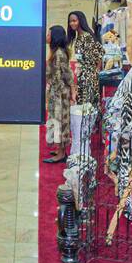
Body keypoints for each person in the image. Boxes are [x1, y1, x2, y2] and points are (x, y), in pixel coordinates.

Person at [44, 25, 72, 163]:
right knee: (56, 121)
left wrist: (71, 91)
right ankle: (59, 149)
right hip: (56, 93)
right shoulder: (55, 52)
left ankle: (61, 153)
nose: (46, 37)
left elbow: (66, 74)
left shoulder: (59, 54)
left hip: (60, 94)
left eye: (49, 35)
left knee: (60, 122)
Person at [67, 10, 104, 109]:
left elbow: (99, 53)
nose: (72, 23)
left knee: (87, 105)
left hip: (88, 76)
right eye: (70, 21)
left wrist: (95, 71)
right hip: (82, 75)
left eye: (74, 21)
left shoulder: (86, 37)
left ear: (80, 21)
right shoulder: (78, 36)